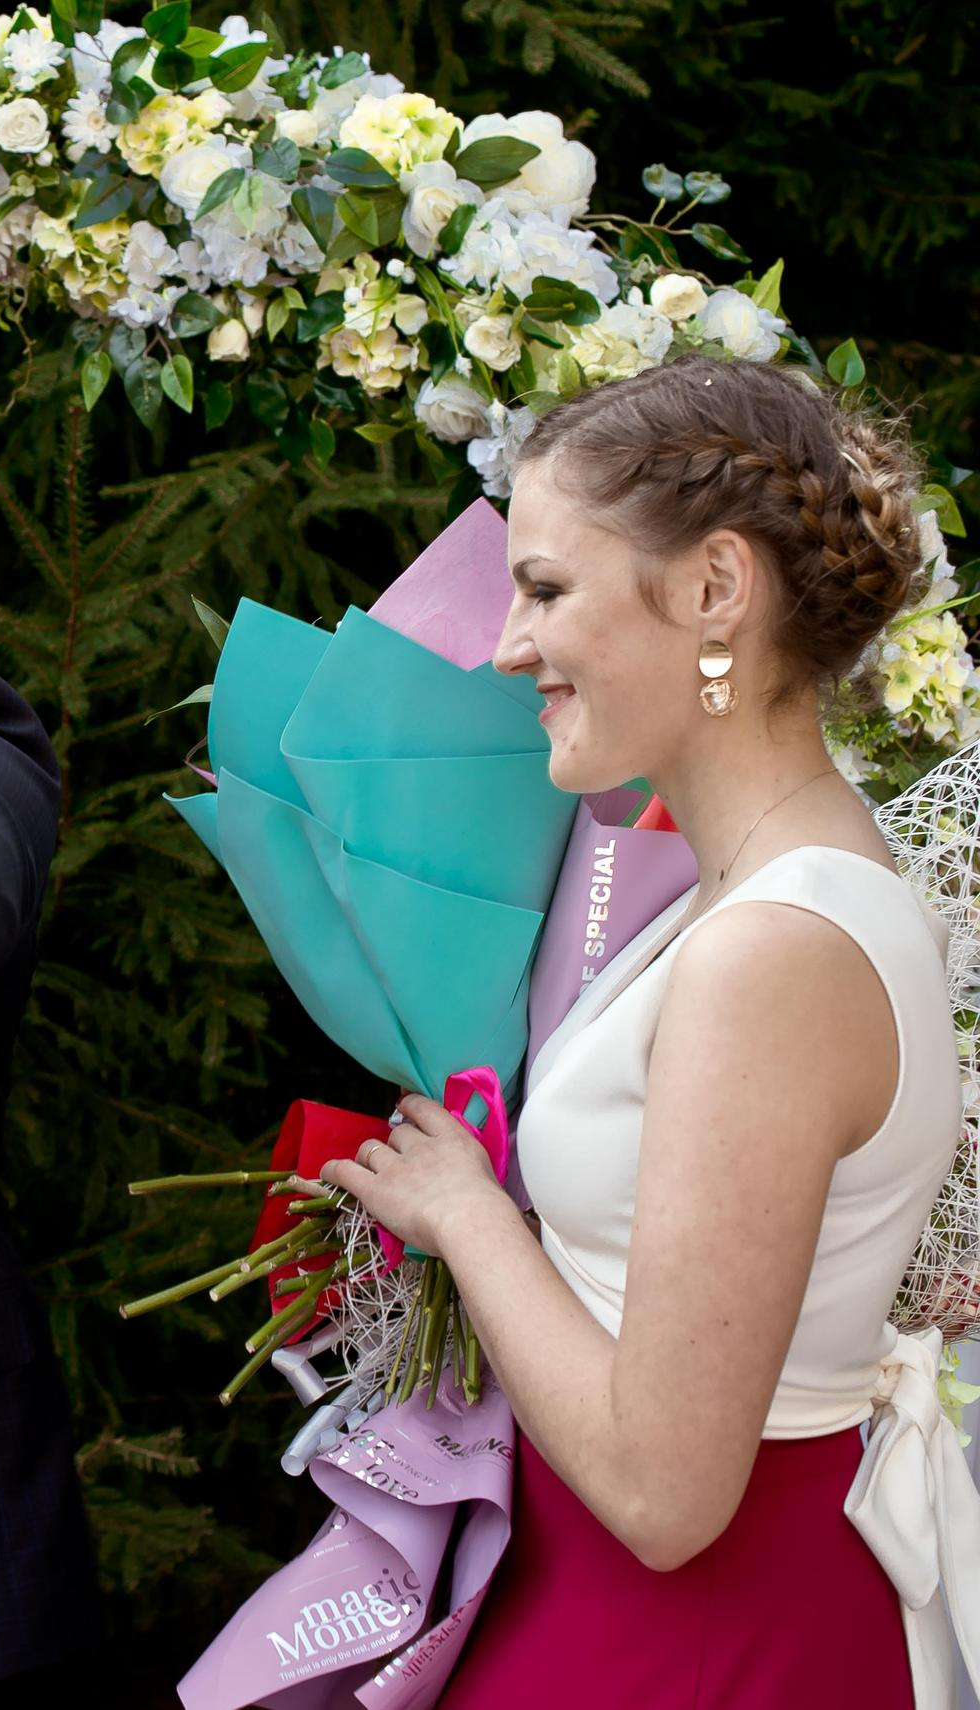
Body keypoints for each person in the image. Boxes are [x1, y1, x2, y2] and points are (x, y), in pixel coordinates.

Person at [319, 357, 977, 1707]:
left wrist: (471, 1217)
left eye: (548, 589)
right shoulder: (763, 888)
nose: (509, 646)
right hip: (631, 1611)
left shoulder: (772, 951)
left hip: (702, 1636)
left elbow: (666, 1488)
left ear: (716, 589)